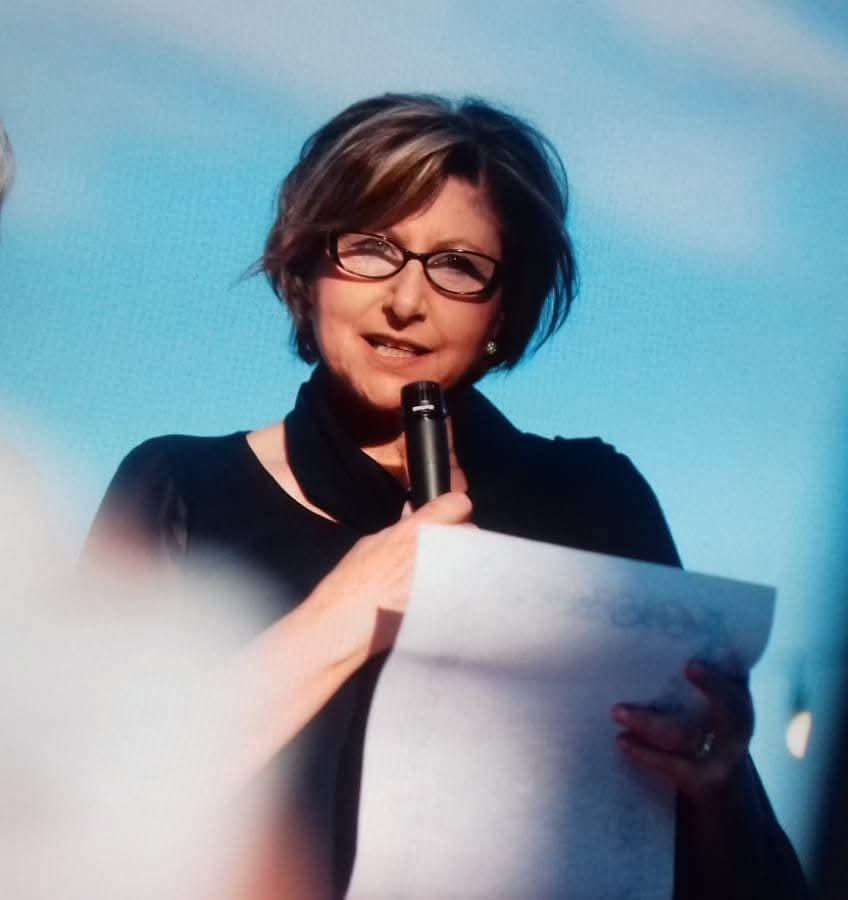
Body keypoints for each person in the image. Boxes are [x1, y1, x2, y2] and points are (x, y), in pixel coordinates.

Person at [88, 93, 808, 898]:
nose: (406, 301)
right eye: (371, 249)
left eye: (458, 266)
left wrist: (715, 785)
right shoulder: (179, 490)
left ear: (504, 309)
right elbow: (77, 810)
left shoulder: (591, 501)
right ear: (307, 265)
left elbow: (747, 873)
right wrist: (350, 611)